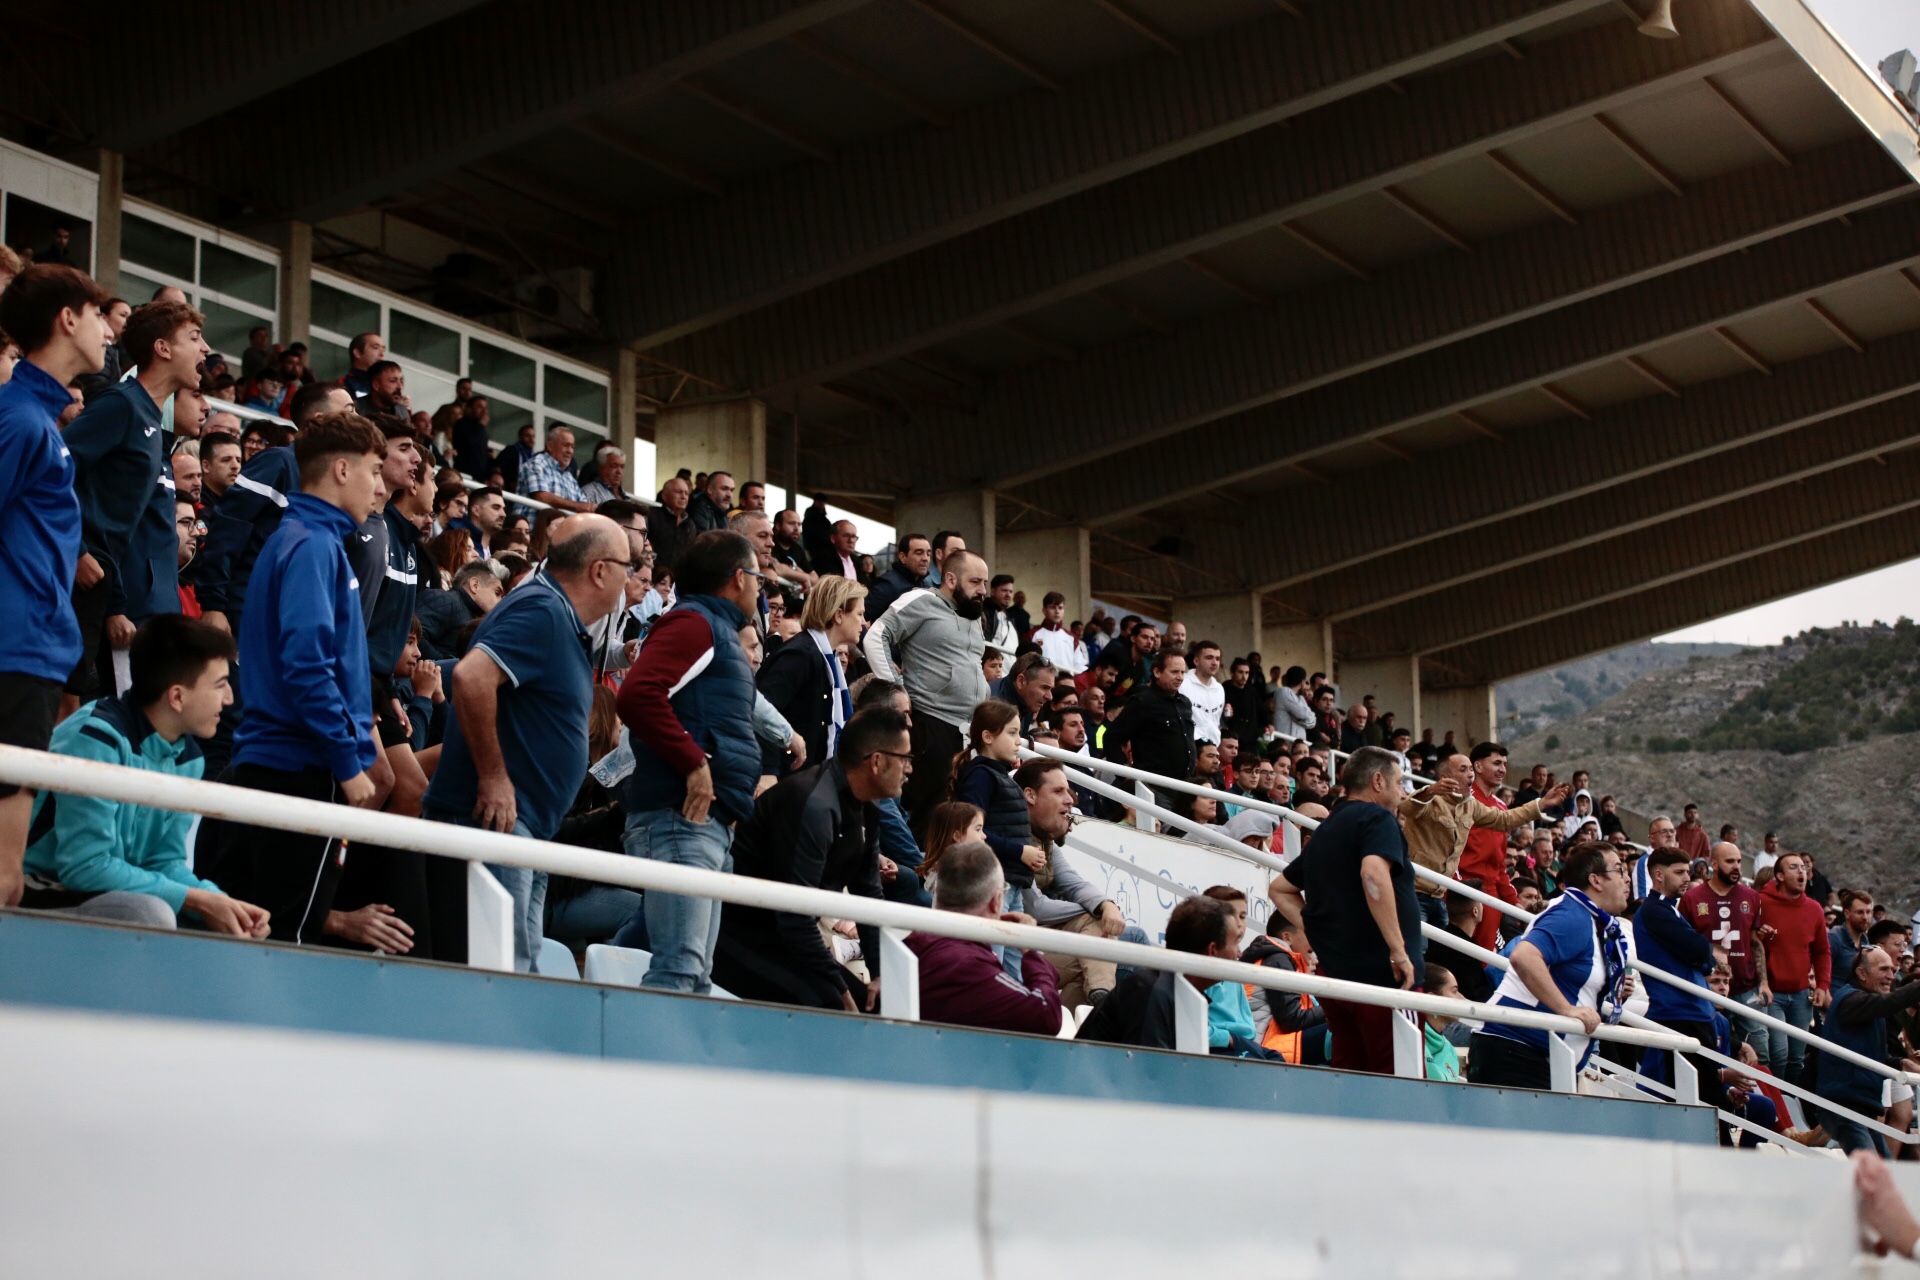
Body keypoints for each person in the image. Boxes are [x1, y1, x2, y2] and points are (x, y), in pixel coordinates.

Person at [194, 412, 390, 948]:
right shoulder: (312, 546)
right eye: (375, 470)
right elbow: (306, 666)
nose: (381, 485)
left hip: (278, 761)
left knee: (252, 931)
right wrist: (346, 762)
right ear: (343, 470)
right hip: (301, 766)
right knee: (287, 937)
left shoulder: (299, 539)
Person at [423, 515, 629, 969]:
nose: (629, 580)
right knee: (501, 974)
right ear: (599, 570)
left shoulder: (558, 617)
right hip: (494, 823)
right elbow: (471, 677)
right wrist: (494, 778)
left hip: (527, 829)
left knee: (520, 971)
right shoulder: (541, 608)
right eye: (625, 566)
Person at [20, 614, 269, 936]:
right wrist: (197, 901)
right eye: (221, 685)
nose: (230, 699)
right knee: (151, 914)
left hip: (95, 892)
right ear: (177, 696)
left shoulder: (188, 757)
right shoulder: (96, 739)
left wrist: (220, 903)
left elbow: (163, 862)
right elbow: (85, 867)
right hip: (35, 888)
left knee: (226, 925)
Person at [0, 264, 109, 907]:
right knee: (5, 879)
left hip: (33, 649)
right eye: (98, 314)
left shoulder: (39, 418)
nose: (104, 330)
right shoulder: (20, 421)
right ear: (68, 319)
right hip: (15, 650)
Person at [616, 530, 762, 993]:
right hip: (681, 818)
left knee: (695, 976)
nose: (762, 588)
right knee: (679, 971)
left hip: (705, 822)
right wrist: (695, 763)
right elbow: (638, 696)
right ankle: (641, 1066)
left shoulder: (710, 628)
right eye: (758, 577)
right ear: (739, 578)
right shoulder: (694, 623)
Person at [712, 707, 912, 1010]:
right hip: (739, 938)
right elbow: (794, 916)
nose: (909, 769)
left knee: (880, 1005)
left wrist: (880, 972)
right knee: (833, 1006)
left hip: (785, 939)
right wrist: (838, 987)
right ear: (877, 761)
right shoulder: (815, 805)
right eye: (905, 759)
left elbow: (869, 896)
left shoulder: (866, 808)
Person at [65, 299, 210, 705]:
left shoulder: (147, 416)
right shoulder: (120, 404)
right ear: (162, 349)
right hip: (89, 586)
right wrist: (76, 550)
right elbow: (54, 466)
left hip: (114, 594)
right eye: (194, 338)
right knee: (68, 709)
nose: (205, 349)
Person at [1267, 747, 1417, 1075]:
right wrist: (1398, 951)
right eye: (1399, 782)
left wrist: (1321, 932)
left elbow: (1279, 888)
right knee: (1397, 1077)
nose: (1403, 791)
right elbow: (1373, 875)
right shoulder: (1378, 818)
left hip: (1336, 978)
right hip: (1383, 977)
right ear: (1378, 781)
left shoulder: (1328, 829)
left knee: (1351, 1073)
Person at [1469, 842, 1636, 1091]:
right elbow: (1524, 957)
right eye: (1619, 870)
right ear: (1596, 881)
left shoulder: (1586, 918)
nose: (1627, 880)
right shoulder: (1572, 914)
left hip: (1531, 1052)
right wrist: (1566, 1009)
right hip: (1517, 1049)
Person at [863, 548, 990, 832]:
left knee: (955, 816)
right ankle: (918, 871)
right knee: (926, 815)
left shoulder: (974, 616)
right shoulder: (920, 600)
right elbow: (876, 636)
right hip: (930, 724)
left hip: (967, 732)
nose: (983, 590)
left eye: (985, 583)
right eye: (975, 582)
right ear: (951, 579)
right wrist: (898, 694)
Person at [1399, 749, 1566, 953]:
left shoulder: (1470, 805)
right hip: (1416, 891)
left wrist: (1543, 803)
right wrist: (1431, 790)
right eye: (1463, 769)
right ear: (1446, 778)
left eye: (1470, 769)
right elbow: (1407, 807)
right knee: (1417, 953)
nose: (1470, 774)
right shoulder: (1430, 798)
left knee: (1444, 957)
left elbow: (1505, 820)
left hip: (1439, 895)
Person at [906, 839, 1063, 1035]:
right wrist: (1031, 951)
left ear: (939, 891)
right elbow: (1046, 1014)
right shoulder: (969, 966)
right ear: (996, 901)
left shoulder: (913, 942)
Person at [1020, 758, 1140, 1005]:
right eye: (1058, 791)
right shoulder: (1014, 841)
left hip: (1038, 946)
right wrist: (1096, 911)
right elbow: (1035, 908)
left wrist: (1106, 905)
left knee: (1094, 959)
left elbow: (1074, 884)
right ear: (1030, 796)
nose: (1070, 800)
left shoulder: (1045, 841)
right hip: (1014, 953)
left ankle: (1086, 1023)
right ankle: (1106, 1007)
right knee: (1110, 941)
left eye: (1068, 791)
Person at [1078, 895, 1238, 1051]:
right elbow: (1147, 1074)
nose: (1239, 953)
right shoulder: (1151, 992)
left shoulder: (1174, 989)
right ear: (1213, 950)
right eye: (1236, 942)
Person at [1633, 846, 1725, 1096]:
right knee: (1695, 1098)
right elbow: (1698, 950)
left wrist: (1704, 956)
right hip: (1678, 1014)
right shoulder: (1654, 910)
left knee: (1706, 1095)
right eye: (1680, 872)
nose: (1687, 877)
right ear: (1659, 875)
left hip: (1692, 1012)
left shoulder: (1669, 908)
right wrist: (1705, 956)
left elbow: (1701, 954)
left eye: (1688, 871)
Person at [1811, 946, 1920, 1156]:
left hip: (1861, 1108)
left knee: (1882, 1171)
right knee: (1875, 1174)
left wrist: (1901, 1063)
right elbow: (1890, 1002)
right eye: (1884, 970)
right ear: (1862, 973)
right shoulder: (1850, 1000)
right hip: (1844, 1108)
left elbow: (1873, 1057)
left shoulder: (1867, 1006)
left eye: (1892, 969)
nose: (1891, 976)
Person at [756, 574, 864, 776]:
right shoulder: (800, 655)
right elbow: (763, 709)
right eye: (859, 614)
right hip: (785, 778)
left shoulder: (826, 658)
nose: (864, 623)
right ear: (839, 615)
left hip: (809, 776)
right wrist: (768, 771)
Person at [1758, 851, 1832, 1083]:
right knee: (1779, 1054)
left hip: (1801, 995)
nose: (1801, 871)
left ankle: (1789, 1103)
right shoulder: (1761, 902)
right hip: (1772, 993)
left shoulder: (1814, 909)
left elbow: (1822, 951)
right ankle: (1776, 1103)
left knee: (1796, 1058)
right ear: (1779, 875)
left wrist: (1822, 985)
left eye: (1803, 867)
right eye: (1793, 867)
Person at [1105, 648, 1196, 817]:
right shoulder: (1142, 701)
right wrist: (1124, 772)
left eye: (1183, 672)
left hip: (1184, 788)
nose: (1180, 677)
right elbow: (1111, 737)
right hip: (1155, 789)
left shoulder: (1185, 703)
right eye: (1174, 671)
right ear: (1157, 672)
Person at [1240, 913, 1327, 1064]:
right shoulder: (1277, 958)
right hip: (1267, 1046)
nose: (1314, 940)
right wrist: (1333, 1010)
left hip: (1276, 1041)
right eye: (1308, 933)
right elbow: (1292, 1019)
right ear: (1287, 938)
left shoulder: (1278, 957)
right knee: (1341, 1031)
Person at [518, 424, 591, 512]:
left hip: (562, 525)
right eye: (566, 445)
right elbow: (542, 497)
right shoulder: (537, 463)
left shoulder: (570, 478)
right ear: (550, 446)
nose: (570, 451)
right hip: (532, 524)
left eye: (572, 447)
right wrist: (577, 506)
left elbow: (585, 507)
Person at [1422, 965, 1465, 1082]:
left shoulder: (1448, 1048)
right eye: (1454, 991)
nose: (1461, 998)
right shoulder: (1412, 1042)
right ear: (1432, 999)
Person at [1178, 640, 1226, 746]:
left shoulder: (1219, 689)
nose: (1214, 662)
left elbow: (1216, 721)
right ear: (1196, 661)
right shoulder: (1182, 683)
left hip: (1212, 747)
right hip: (1188, 746)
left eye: (1217, 659)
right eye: (1209, 658)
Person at [1833, 890, 1875, 984]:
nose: (1865, 917)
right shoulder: (1834, 938)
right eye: (1860, 912)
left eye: (1868, 912)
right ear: (1847, 914)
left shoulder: (1866, 942)